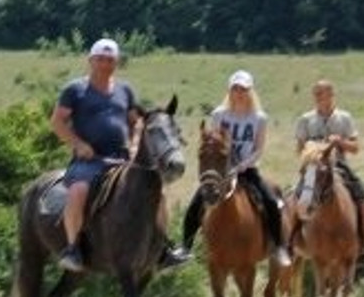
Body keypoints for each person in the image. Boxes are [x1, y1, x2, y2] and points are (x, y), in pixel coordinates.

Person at [49, 37, 189, 275]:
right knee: (78, 191)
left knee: (159, 193)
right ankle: (73, 248)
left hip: (121, 159)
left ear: (116, 63)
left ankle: (163, 248)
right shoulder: (75, 90)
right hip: (88, 161)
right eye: (101, 59)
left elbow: (136, 122)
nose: (105, 64)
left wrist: (134, 145)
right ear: (91, 61)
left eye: (110, 60)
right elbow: (57, 122)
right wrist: (78, 144)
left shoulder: (125, 90)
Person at [179, 70, 293, 268]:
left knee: (270, 203)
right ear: (229, 91)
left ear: (250, 91)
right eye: (235, 88)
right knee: (195, 205)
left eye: (243, 89)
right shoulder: (219, 115)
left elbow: (258, 149)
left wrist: (242, 166)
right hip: (221, 171)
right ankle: (185, 248)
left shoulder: (259, 118)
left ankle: (279, 247)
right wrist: (222, 166)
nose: (239, 92)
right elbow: (213, 144)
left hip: (247, 169)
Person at [285, 78, 364, 254]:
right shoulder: (306, 119)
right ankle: (290, 241)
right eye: (316, 93)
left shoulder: (344, 118)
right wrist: (312, 149)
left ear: (331, 95)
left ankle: (363, 243)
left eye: (321, 93)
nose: (318, 97)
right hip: (313, 167)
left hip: (339, 166)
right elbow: (299, 149)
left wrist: (340, 141)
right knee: (293, 199)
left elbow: (355, 148)